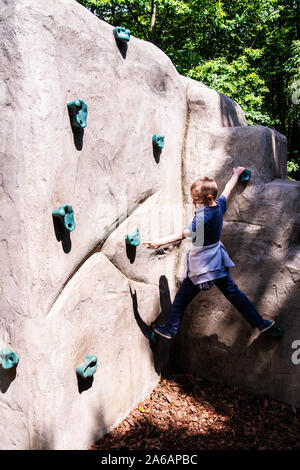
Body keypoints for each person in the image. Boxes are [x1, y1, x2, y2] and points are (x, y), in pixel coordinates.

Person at [142, 167, 283, 340]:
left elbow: (183, 234)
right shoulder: (219, 205)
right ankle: (261, 324)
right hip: (217, 263)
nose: (194, 204)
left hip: (202, 266)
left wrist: (159, 241)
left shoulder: (203, 216)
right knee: (235, 295)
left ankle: (170, 329)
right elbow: (227, 189)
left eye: (196, 200)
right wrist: (237, 174)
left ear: (208, 199)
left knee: (181, 298)